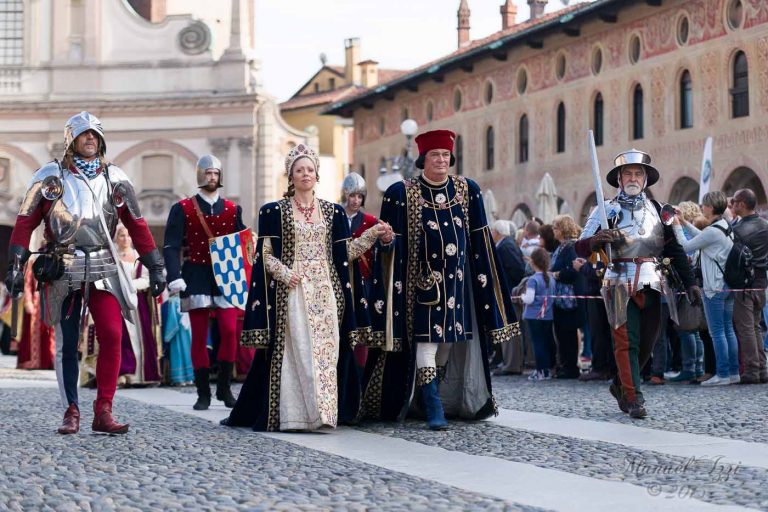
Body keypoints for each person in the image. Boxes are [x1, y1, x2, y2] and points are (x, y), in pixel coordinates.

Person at [4, 111, 165, 435]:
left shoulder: (115, 178)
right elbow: (25, 222)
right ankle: (71, 409)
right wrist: (15, 265)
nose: (90, 139)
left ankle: (103, 408)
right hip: (63, 265)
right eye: (83, 134)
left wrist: (156, 265)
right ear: (71, 140)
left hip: (104, 264)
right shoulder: (51, 176)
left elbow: (136, 223)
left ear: (101, 140)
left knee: (112, 334)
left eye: (95, 134)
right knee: (65, 342)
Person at [222, 144, 389, 432]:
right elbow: (265, 255)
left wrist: (373, 234)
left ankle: (322, 414)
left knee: (325, 354)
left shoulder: (333, 212)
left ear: (317, 174)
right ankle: (294, 415)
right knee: (297, 351)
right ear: (290, 176)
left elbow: (344, 253)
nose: (305, 174)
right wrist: (285, 273)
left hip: (326, 293)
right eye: (299, 170)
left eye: (310, 169)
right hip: (292, 292)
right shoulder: (273, 211)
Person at [361, 129, 520, 431]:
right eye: (435, 155)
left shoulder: (466, 190)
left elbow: (480, 241)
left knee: (447, 342)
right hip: (421, 287)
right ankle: (433, 403)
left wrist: (489, 292)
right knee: (427, 342)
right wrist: (384, 242)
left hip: (457, 286)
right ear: (423, 159)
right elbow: (391, 243)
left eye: (446, 155)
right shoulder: (402, 193)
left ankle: (426, 393)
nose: (441, 160)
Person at [576, 149, 698, 419]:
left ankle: (621, 385)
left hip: (653, 281)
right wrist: (595, 242)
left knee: (647, 342)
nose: (633, 178)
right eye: (627, 173)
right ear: (619, 179)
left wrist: (690, 283)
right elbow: (580, 248)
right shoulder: (604, 210)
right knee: (625, 343)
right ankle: (634, 398)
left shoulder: (657, 210)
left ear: (645, 179)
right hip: (618, 280)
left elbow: (675, 250)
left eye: (638, 173)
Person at [163, 154, 246, 410]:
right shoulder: (183, 208)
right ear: (201, 175)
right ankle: (203, 393)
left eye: (215, 173)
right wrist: (175, 276)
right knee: (199, 336)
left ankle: (223, 388)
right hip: (195, 274)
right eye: (208, 173)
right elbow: (171, 245)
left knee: (231, 332)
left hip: (227, 276)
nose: (212, 177)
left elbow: (243, 245)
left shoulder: (233, 210)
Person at [672, 191, 738, 386]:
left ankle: (723, 374)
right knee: (728, 330)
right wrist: (684, 222)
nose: (702, 208)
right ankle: (733, 372)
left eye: (705, 205)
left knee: (716, 332)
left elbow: (684, 246)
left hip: (713, 287)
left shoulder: (713, 230)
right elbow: (702, 237)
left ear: (711, 207)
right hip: (726, 285)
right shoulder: (724, 226)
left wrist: (676, 227)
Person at [341, 172, 379, 372]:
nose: (356, 200)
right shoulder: (334, 217)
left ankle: (360, 375)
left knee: (362, 328)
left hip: (363, 282)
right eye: (352, 195)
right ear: (345, 195)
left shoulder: (370, 221)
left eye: (359, 196)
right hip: (339, 280)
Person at [115, 225, 162, 386]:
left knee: (138, 338)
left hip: (136, 303)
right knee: (120, 338)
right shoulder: (111, 257)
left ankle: (139, 376)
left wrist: (129, 285)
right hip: (117, 301)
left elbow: (146, 279)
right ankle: (121, 374)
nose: (125, 239)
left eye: (128, 235)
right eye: (122, 235)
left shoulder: (139, 256)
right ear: (116, 238)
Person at [730, 188, 768, 384]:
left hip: (743, 286)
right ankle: (762, 368)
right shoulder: (766, 225)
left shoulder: (736, 230)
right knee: (755, 328)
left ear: (742, 205)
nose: (731, 204)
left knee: (746, 330)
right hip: (762, 284)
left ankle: (752, 371)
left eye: (734, 201)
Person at [668, 201, 706, 383]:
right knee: (695, 328)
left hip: (688, 283)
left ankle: (690, 367)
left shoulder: (685, 232)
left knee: (687, 327)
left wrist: (677, 226)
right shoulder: (696, 230)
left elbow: (685, 252)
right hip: (694, 281)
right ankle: (697, 366)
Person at [550, 215, 587, 379]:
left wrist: (556, 275)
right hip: (560, 296)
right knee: (562, 332)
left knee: (568, 332)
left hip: (569, 297)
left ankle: (571, 366)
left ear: (563, 229)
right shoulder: (561, 247)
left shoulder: (571, 246)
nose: (553, 231)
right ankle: (566, 364)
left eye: (555, 228)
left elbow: (573, 271)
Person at [491, 220, 527, 376]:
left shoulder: (506, 246)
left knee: (511, 330)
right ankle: (507, 362)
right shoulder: (505, 245)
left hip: (509, 293)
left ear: (497, 232)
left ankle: (511, 364)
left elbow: (517, 269)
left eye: (492, 231)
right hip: (506, 293)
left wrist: (508, 286)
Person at [521, 248, 556, 381]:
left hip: (534, 316)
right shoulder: (551, 279)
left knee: (538, 344)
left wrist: (522, 296)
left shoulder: (532, 279)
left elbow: (529, 299)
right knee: (546, 342)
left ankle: (540, 370)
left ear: (533, 262)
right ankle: (547, 370)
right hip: (547, 316)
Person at [16, 256, 55, 370]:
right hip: (36, 303)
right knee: (34, 332)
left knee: (49, 332)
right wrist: (28, 301)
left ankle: (49, 361)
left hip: (50, 301)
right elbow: (27, 283)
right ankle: (35, 361)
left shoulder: (54, 260)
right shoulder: (33, 262)